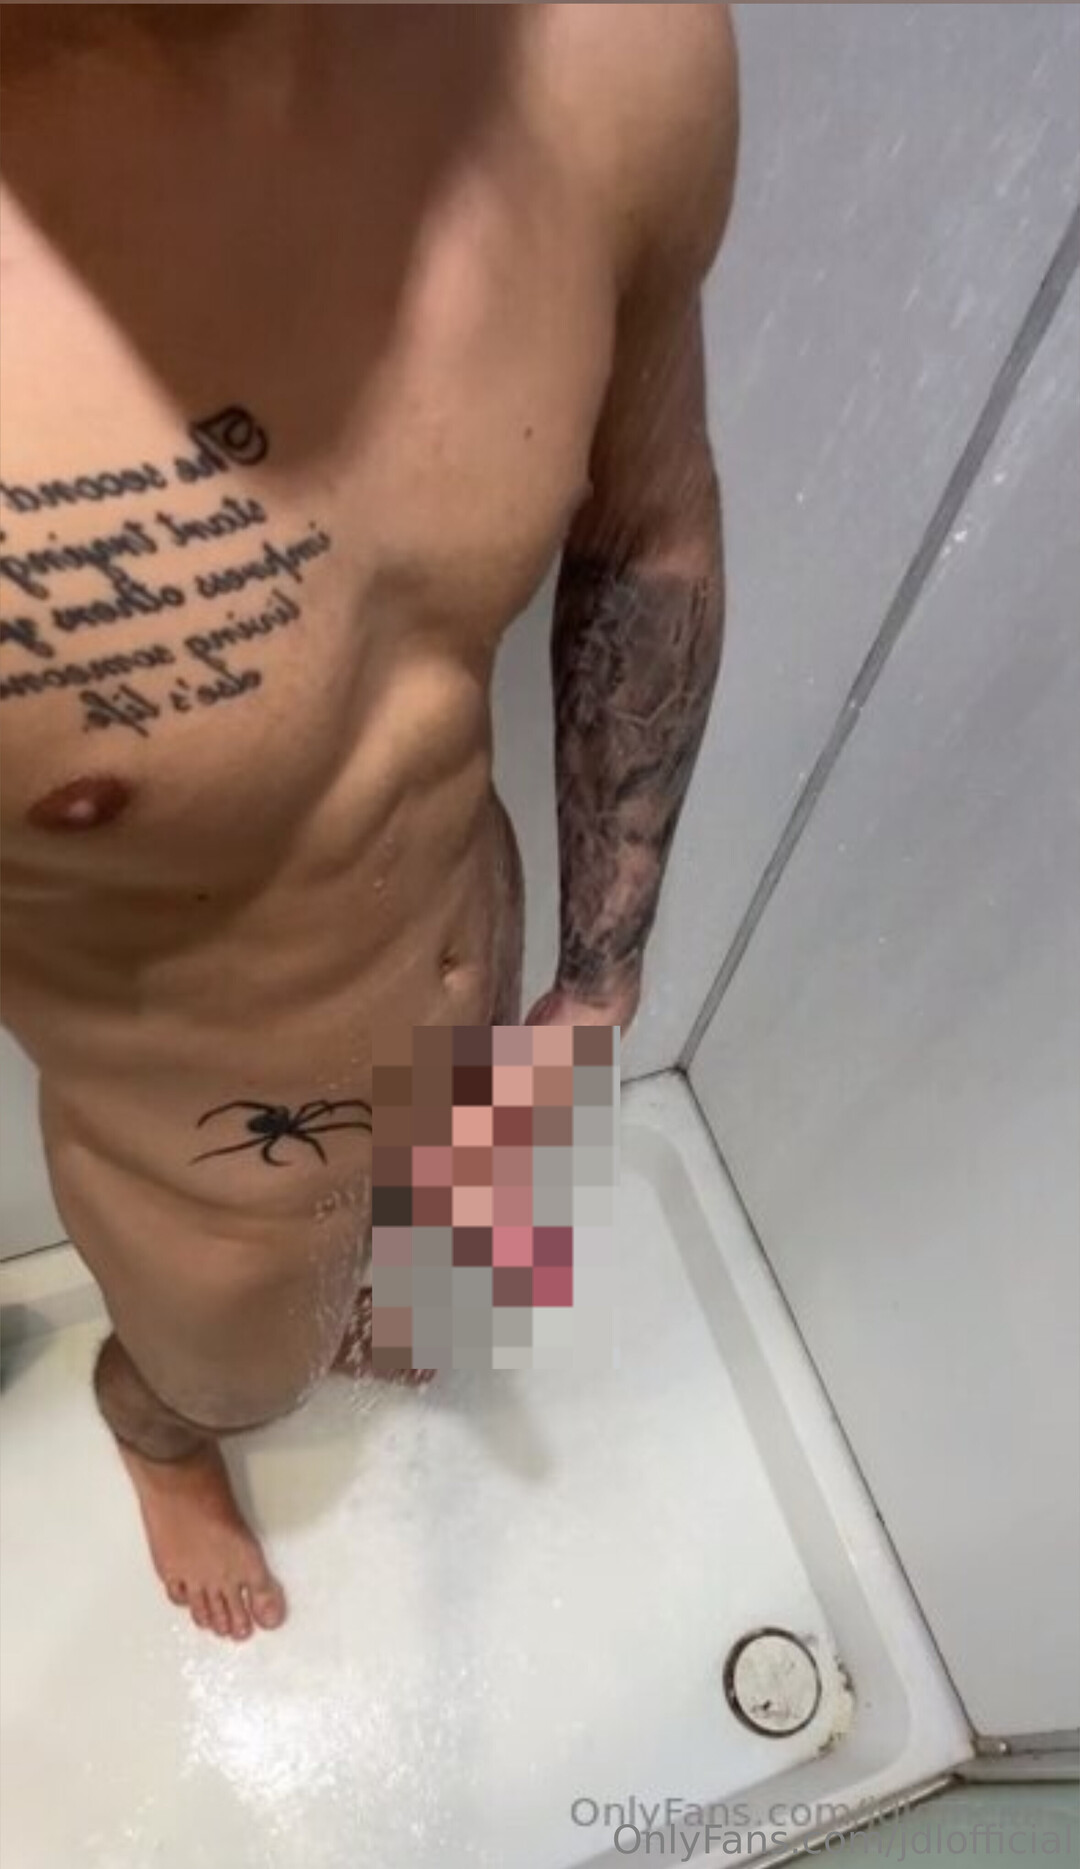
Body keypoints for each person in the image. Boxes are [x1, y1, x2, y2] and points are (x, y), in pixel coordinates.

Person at [0, 2, 738, 1639]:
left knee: (447, 1301)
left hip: (492, 979)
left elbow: (651, 526)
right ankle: (161, 1437)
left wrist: (596, 993)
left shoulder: (609, 50)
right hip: (205, 1177)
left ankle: (379, 1297)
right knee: (226, 1381)